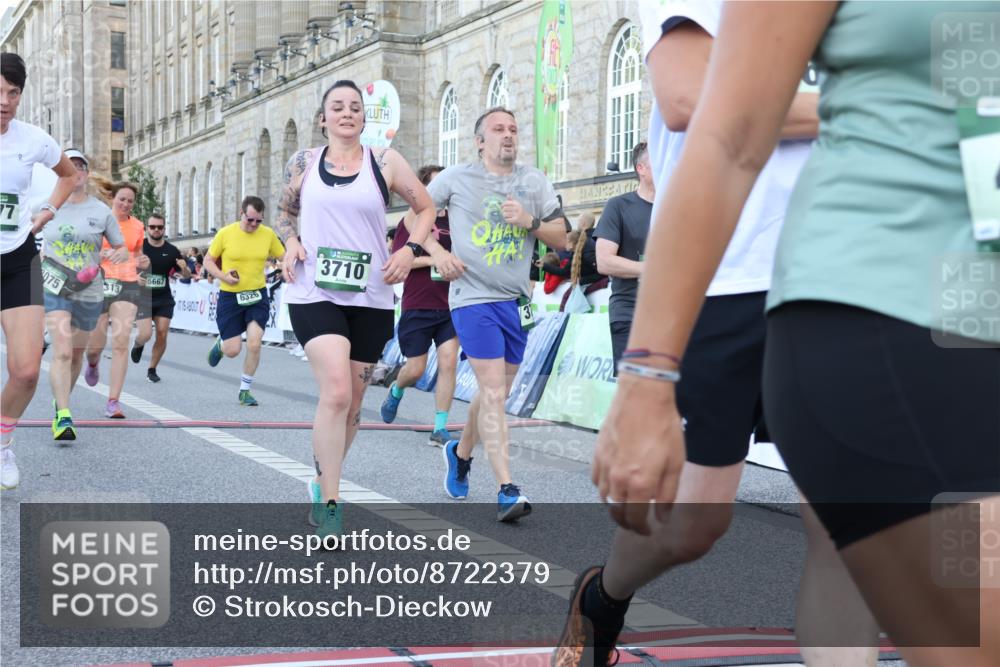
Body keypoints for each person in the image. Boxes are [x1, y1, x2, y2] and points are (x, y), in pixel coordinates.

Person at [564, 2, 1000, 667]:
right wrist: (869, 105)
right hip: (731, 275)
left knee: (839, 534)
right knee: (691, 523)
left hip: (922, 285)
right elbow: (692, 103)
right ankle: (606, 594)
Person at [275, 80, 436, 539]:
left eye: (355, 108)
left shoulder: (385, 161)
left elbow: (425, 208)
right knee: (338, 392)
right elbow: (285, 213)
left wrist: (409, 251)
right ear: (323, 118)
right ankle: (331, 502)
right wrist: (290, 242)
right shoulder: (304, 162)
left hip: (372, 294)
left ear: (365, 118)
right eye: (337, 107)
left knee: (354, 404)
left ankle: (321, 478)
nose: (346, 113)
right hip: (315, 291)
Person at [409, 106, 569, 522]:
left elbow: (562, 237)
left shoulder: (533, 181)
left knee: (494, 392)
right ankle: (506, 488)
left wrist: (529, 220)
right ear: (480, 141)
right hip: (472, 298)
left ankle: (460, 454)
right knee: (495, 392)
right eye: (498, 129)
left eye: (514, 129)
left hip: (516, 302)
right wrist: (439, 254)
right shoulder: (456, 178)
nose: (508, 135)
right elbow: (413, 218)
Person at [0, 53, 76, 488]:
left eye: (13, 93)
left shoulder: (33, 139)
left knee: (27, 370)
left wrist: (47, 210)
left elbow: (67, 176)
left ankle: (4, 445)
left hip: (16, 258)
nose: (5, 101)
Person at [41, 150, 128, 440]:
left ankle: (61, 398)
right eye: (70, 166)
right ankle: (64, 417)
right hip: (55, 286)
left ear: (87, 174)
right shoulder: (47, 206)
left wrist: (116, 255)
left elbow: (120, 246)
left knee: (77, 354)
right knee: (62, 350)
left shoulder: (100, 211)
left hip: (88, 289)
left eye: (81, 167)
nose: (76, 171)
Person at [380, 165, 460, 447]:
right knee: (415, 369)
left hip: (450, 305)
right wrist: (433, 259)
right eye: (435, 186)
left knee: (449, 361)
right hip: (418, 304)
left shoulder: (457, 219)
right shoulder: (411, 220)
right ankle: (397, 389)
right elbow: (400, 261)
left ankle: (440, 427)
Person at [204, 195, 285, 406]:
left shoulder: (267, 235)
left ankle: (245, 391)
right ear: (241, 213)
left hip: (257, 295)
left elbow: (283, 256)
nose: (254, 225)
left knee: (255, 343)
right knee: (233, 350)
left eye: (259, 221)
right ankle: (222, 345)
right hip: (230, 296)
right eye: (250, 220)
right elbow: (208, 261)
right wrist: (223, 276)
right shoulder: (226, 233)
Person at [82, 182, 149, 419]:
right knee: (95, 346)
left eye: (130, 201)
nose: (126, 204)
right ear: (113, 198)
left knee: (121, 342)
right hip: (99, 282)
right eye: (122, 199)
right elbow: (84, 250)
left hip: (127, 284)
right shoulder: (98, 220)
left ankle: (113, 401)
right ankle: (92, 363)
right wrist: (100, 254)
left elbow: (139, 255)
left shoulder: (138, 226)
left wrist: (143, 263)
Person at [594, 143, 654, 371]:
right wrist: (652, 269)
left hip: (671, 315)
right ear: (642, 168)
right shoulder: (618, 206)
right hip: (630, 312)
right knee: (637, 390)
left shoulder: (676, 207)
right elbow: (604, 261)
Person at [130, 212, 190, 383]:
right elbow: (124, 269)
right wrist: (135, 279)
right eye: (153, 227)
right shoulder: (138, 247)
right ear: (147, 228)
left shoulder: (172, 250)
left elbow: (186, 276)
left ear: (164, 229)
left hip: (164, 298)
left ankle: (152, 369)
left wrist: (184, 269)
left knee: (162, 333)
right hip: (143, 298)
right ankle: (138, 344)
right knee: (146, 334)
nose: (156, 230)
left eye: (160, 227)